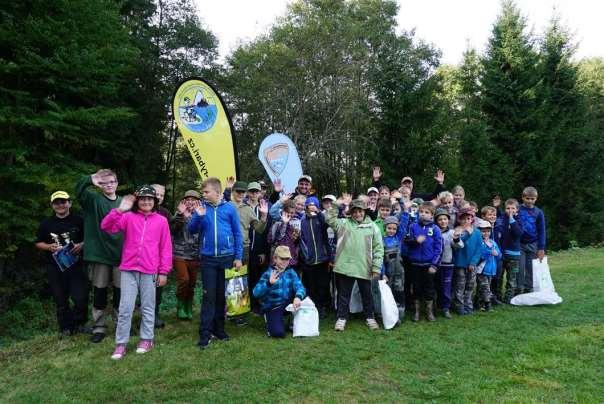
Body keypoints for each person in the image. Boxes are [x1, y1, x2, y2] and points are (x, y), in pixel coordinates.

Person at [101, 185, 172, 360]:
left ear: (155, 202)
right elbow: (106, 226)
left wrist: (163, 272)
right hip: (129, 269)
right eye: (143, 199)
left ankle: (147, 339)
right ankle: (121, 344)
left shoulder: (161, 221)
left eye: (150, 199)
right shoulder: (128, 217)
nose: (146, 201)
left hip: (150, 270)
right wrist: (119, 210)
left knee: (148, 306)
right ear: (137, 201)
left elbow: (166, 248)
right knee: (126, 307)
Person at [188, 177, 243, 349]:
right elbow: (191, 230)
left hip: (227, 258)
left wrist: (238, 256)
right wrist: (198, 216)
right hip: (208, 259)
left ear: (217, 192)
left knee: (221, 296)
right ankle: (205, 333)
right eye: (203, 192)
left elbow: (237, 234)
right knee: (208, 296)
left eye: (206, 192)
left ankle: (219, 330)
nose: (203, 195)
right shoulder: (201, 208)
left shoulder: (230, 209)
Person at [75, 169, 123, 343]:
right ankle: (99, 327)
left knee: (120, 292)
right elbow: (78, 190)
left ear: (117, 183)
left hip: (121, 256)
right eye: (104, 182)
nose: (109, 185)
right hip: (100, 255)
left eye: (112, 181)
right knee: (100, 292)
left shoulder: (124, 203)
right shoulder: (93, 200)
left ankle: (121, 325)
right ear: (100, 185)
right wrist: (89, 179)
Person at [35, 191, 88, 338]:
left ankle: (80, 324)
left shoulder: (80, 220)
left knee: (80, 298)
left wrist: (82, 244)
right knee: (60, 299)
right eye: (56, 202)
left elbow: (91, 238)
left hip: (77, 265)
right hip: (55, 267)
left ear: (69, 203)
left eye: (63, 202)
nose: (60, 205)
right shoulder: (46, 224)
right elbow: (38, 243)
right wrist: (49, 247)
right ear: (52, 205)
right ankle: (65, 328)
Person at [325, 199, 383, 331]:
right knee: (344, 295)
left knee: (367, 294)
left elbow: (378, 248)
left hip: (365, 266)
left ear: (364, 212)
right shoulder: (343, 224)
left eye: (360, 211)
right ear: (350, 213)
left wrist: (376, 266)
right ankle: (341, 318)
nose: (357, 214)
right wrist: (336, 204)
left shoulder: (373, 227)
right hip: (345, 267)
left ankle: (370, 317)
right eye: (355, 211)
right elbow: (329, 218)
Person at [229, 180, 269, 325]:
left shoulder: (248, 209)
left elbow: (259, 228)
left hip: (244, 248)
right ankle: (227, 309)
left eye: (242, 192)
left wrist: (264, 216)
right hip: (227, 248)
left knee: (240, 281)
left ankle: (239, 313)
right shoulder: (226, 206)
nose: (240, 194)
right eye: (237, 191)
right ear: (232, 192)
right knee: (228, 280)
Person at [253, 246, 306, 338]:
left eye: (287, 259)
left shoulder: (291, 272)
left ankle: (292, 322)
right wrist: (269, 283)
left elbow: (300, 287)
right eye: (282, 258)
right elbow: (255, 293)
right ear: (275, 258)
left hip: (287, 304)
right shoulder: (268, 274)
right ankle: (274, 323)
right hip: (273, 306)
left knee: (304, 297)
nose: (285, 261)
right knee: (278, 334)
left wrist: (298, 297)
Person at [405, 203, 442, 322]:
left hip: (428, 265)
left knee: (429, 288)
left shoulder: (435, 229)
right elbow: (407, 241)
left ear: (432, 215)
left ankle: (429, 312)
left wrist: (434, 265)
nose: (423, 214)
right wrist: (416, 241)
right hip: (415, 264)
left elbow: (439, 248)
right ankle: (416, 312)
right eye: (421, 212)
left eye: (426, 212)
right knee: (416, 288)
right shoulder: (413, 226)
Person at [171, 190, 201, 320]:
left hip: (195, 254)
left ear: (198, 202)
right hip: (180, 253)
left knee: (192, 283)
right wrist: (180, 215)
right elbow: (172, 229)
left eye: (193, 199)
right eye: (187, 199)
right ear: (183, 202)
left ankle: (188, 306)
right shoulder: (178, 215)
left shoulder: (201, 214)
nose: (190, 202)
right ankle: (180, 305)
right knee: (184, 280)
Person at [299, 196, 331, 318]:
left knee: (322, 285)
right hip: (309, 260)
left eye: (314, 207)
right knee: (311, 285)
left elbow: (326, 222)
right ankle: (312, 306)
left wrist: (319, 214)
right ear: (305, 208)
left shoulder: (321, 219)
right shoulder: (302, 221)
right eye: (309, 207)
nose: (311, 209)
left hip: (322, 259)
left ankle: (322, 307)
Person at [452, 207, 482, 315]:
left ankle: (468, 305)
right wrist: (466, 234)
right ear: (459, 219)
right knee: (460, 286)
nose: (466, 221)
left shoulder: (477, 232)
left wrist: (473, 262)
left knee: (470, 286)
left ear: (472, 220)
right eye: (463, 219)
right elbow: (458, 245)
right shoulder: (457, 231)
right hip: (460, 263)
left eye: (468, 219)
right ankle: (459, 306)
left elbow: (479, 249)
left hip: (472, 265)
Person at [494, 198, 524, 302]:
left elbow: (518, 233)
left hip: (514, 256)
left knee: (511, 279)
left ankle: (509, 298)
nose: (510, 210)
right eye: (508, 208)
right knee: (499, 277)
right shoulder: (502, 218)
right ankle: (497, 297)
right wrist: (497, 207)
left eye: (513, 208)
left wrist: (512, 219)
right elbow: (497, 217)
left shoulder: (518, 220)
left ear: (517, 210)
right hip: (502, 255)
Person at [518, 186, 546, 293]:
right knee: (520, 267)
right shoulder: (518, 209)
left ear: (536, 199)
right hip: (519, 244)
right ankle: (518, 288)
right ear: (523, 197)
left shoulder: (539, 212)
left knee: (531, 268)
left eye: (532, 199)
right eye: (527, 198)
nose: (530, 201)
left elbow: (542, 230)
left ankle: (528, 288)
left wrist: (541, 247)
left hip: (533, 244)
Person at [382, 215, 408, 320]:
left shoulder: (399, 238)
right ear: (385, 228)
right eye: (389, 228)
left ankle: (400, 313)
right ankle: (390, 314)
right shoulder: (382, 240)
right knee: (389, 293)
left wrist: (405, 211)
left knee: (399, 291)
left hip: (399, 271)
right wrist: (383, 273)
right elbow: (380, 260)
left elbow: (404, 226)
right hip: (388, 273)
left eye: (394, 229)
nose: (391, 231)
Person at [151, 184, 170, 328]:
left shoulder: (164, 213)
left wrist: (181, 216)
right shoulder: (136, 211)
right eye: (156, 194)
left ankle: (154, 315)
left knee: (157, 289)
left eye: (162, 195)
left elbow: (172, 232)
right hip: (139, 258)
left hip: (158, 258)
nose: (159, 197)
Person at [371, 166, 446, 201]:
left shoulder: (419, 196)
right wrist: (376, 179)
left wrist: (440, 183)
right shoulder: (395, 196)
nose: (407, 185)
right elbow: (382, 192)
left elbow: (434, 196)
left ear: (412, 185)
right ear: (401, 185)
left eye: (409, 183)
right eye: (405, 183)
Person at [434, 208, 456, 319]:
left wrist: (456, 239)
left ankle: (446, 308)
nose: (443, 221)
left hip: (448, 264)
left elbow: (459, 246)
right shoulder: (433, 231)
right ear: (436, 221)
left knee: (446, 287)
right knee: (435, 286)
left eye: (445, 219)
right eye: (440, 219)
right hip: (435, 265)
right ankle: (434, 307)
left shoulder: (452, 232)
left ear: (448, 220)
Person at [476, 219, 501, 312]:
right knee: (486, 287)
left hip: (491, 270)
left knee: (481, 288)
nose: (486, 233)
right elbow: (480, 254)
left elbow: (499, 255)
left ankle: (478, 303)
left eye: (488, 231)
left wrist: (497, 253)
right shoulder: (480, 242)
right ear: (479, 232)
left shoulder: (493, 242)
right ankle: (488, 305)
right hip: (482, 269)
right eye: (483, 231)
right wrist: (490, 252)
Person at [481, 205, 503, 306]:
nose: (493, 216)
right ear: (484, 216)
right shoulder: (481, 229)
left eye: (494, 215)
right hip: (484, 262)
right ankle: (484, 301)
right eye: (490, 214)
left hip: (495, 257)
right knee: (484, 282)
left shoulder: (498, 227)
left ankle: (493, 297)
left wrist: (498, 254)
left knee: (495, 278)